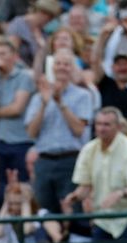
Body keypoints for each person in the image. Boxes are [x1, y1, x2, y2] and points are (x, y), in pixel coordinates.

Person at [64, 106, 127, 241]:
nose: (101, 128)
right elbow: (85, 187)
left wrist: (120, 193)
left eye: (107, 124)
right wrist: (74, 197)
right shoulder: (88, 150)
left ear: (118, 127)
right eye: (98, 124)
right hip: (103, 218)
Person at [25, 48, 93, 216]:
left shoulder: (83, 96)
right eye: (58, 63)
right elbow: (32, 132)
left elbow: (79, 129)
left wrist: (60, 102)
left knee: (74, 208)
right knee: (44, 210)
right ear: (52, 67)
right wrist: (44, 103)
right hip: (45, 160)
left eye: (67, 64)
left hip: (71, 159)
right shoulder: (37, 97)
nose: (62, 67)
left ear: (73, 68)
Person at [0, 35, 35, 181]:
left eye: (3, 54)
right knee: (1, 188)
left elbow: (17, 108)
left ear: (14, 56)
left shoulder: (24, 77)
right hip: (1, 141)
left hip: (22, 142)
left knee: (22, 185)